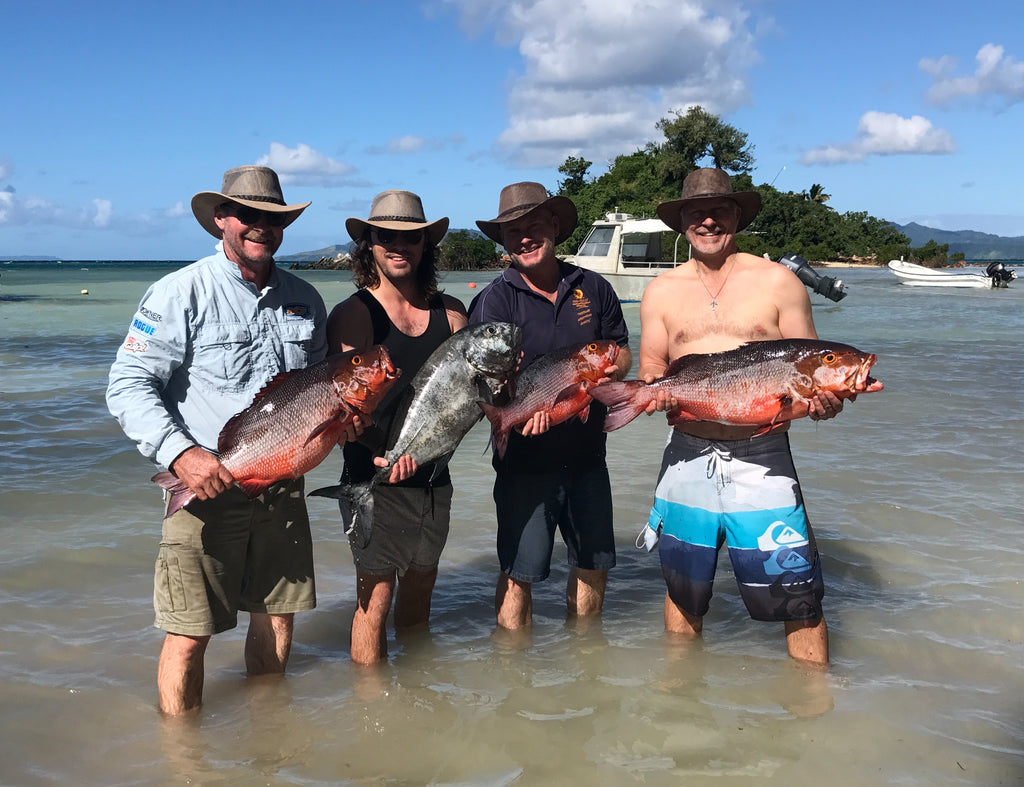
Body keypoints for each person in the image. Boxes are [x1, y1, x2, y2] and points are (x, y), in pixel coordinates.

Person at [106, 165, 345, 714]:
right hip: (204, 486)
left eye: (273, 218)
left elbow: (314, 392)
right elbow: (127, 383)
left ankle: (267, 742)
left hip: (281, 489)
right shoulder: (178, 292)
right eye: (248, 215)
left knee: (277, 615)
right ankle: (184, 761)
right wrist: (181, 454)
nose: (260, 226)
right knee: (190, 631)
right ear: (221, 220)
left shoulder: (306, 299)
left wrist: (341, 423)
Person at [638, 167, 851, 665]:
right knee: (682, 587)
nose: (707, 221)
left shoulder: (778, 281)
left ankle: (813, 708)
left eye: (719, 211)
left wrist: (827, 403)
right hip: (687, 454)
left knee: (796, 592)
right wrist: (651, 390)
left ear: (738, 216)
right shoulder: (661, 290)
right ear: (682, 222)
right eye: (696, 213)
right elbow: (652, 364)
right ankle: (680, 702)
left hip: (763, 456)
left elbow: (816, 366)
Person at [468, 182, 632, 630]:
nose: (524, 237)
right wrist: (509, 414)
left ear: (554, 227)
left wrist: (610, 371)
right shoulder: (493, 301)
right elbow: (481, 383)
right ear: (502, 240)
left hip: (588, 458)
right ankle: (513, 673)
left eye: (533, 226)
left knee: (593, 563)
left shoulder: (593, 287)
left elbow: (621, 349)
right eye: (512, 231)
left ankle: (584, 662)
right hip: (525, 461)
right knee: (520, 574)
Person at [326, 190, 468, 665]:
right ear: (370, 243)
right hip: (371, 481)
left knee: (423, 584)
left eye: (410, 236)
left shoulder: (451, 315)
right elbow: (342, 408)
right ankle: (370, 715)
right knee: (375, 598)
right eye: (387, 236)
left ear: (426, 244)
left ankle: (414, 698)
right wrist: (383, 454)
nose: (398, 245)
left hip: (433, 480)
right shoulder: (353, 314)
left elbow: (464, 400)